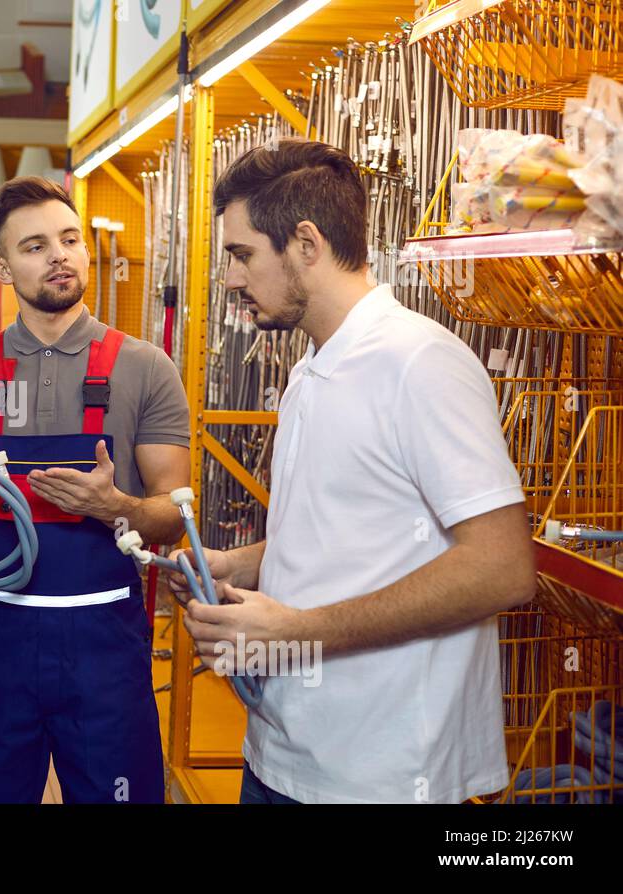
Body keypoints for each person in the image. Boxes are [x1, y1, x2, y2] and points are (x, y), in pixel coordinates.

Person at [170, 139, 536, 804]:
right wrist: (243, 564)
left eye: (242, 253)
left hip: (380, 776)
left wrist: (296, 630)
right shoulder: (312, 370)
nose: (230, 279)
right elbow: (352, 533)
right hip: (282, 751)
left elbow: (501, 568)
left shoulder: (420, 364)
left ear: (305, 244)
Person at [0, 176, 192, 803]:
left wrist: (116, 508)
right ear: (3, 270)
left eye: (69, 239)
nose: (59, 255)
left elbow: (176, 514)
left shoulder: (147, 370)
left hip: (106, 644)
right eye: (34, 247)